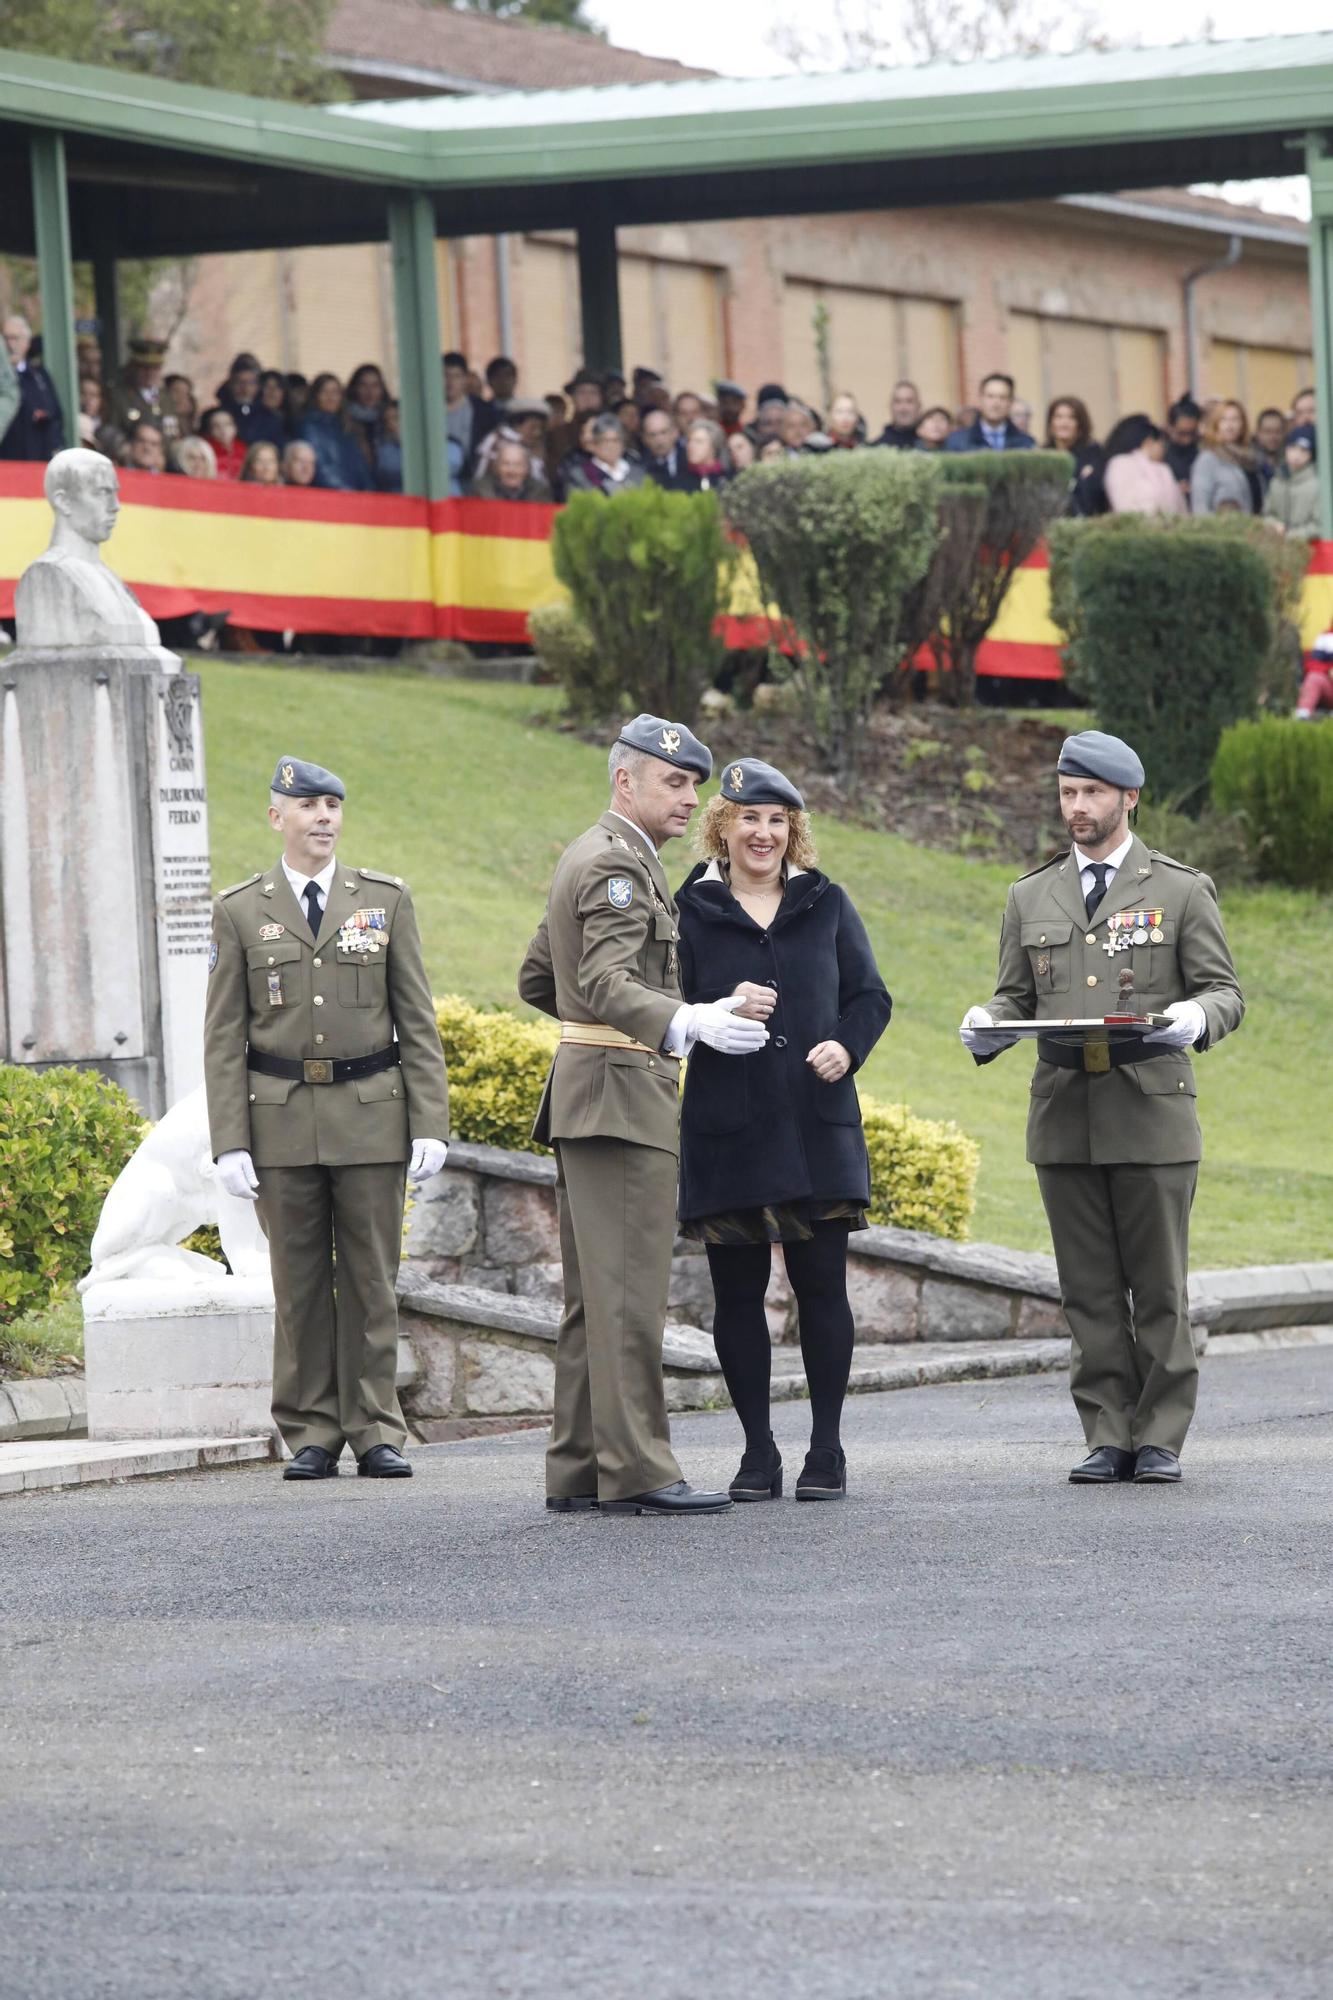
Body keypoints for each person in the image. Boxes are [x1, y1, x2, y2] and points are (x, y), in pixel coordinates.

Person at [959, 730, 1244, 1485]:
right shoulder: (1031, 893)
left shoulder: (1179, 889)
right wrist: (986, 1027)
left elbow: (1224, 991)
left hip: (1149, 1107)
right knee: (1085, 1290)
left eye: (1090, 794)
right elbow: (1015, 998)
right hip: (1063, 1113)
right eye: (1066, 794)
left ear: (1128, 798)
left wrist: (1195, 1019)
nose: (1076, 808)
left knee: (1156, 1287)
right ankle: (1105, 1431)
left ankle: (1159, 1435)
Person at [517, 717, 769, 1515]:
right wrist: (685, 1022)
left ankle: (581, 1467)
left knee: (596, 1298)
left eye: (692, 783)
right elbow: (595, 980)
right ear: (626, 780)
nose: (689, 797)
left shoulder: (596, 856)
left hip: (596, 1091)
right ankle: (637, 1472)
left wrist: (640, 1017)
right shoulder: (617, 868)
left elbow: (538, 976)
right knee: (627, 1298)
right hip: (622, 1097)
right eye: (675, 782)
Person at [203, 757, 450, 1481]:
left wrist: (428, 1120)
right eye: (307, 805)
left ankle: (375, 1428)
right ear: (275, 815)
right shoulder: (241, 908)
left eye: (333, 805)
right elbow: (223, 1035)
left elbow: (417, 1019)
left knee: (373, 1278)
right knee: (300, 1283)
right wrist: (230, 1141)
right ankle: (311, 1429)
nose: (324, 818)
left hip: (371, 1116)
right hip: (279, 1122)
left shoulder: (383, 901)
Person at [675, 758, 891, 1502]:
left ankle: (825, 1449)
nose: (762, 833)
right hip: (728, 1130)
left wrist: (846, 1045)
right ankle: (756, 1451)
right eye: (748, 819)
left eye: (776, 821)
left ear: (792, 831)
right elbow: (668, 1002)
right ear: (722, 826)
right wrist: (716, 1005)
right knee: (735, 1295)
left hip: (815, 1125)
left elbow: (869, 996)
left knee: (820, 1287)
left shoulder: (825, 903)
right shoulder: (690, 909)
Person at [0, 314, 66, 460]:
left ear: (27, 342)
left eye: (15, 338)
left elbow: (56, 415)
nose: (10, 345)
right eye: (6, 338)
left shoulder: (39, 376)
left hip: (36, 458)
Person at [298, 374, 371, 491]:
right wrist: (346, 492)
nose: (330, 397)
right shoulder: (309, 427)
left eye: (335, 392)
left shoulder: (346, 426)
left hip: (355, 498)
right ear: (316, 396)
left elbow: (360, 466)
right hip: (330, 497)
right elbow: (320, 467)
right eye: (325, 392)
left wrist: (369, 492)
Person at [1101, 415, 1185, 516]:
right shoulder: (1120, 464)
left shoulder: (1163, 469)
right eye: (1162, 444)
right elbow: (1123, 507)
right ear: (1149, 442)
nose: (1163, 450)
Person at [1191, 399, 1258, 516]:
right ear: (1216, 424)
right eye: (1224, 420)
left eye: (1235, 419)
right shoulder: (1208, 459)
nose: (1230, 425)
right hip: (1223, 531)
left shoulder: (1250, 458)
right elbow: (1200, 507)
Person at [443, 350, 498, 482]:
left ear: (465, 379)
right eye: (445, 375)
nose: (450, 382)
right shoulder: (428, 412)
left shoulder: (484, 411)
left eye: (456, 376)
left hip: (476, 483)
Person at [1046, 396, 1105, 515]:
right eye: (1058, 417)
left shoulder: (1093, 453)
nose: (1064, 423)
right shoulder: (1043, 455)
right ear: (1051, 422)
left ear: (1080, 424)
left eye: (1071, 418)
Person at [945, 374, 1034, 452]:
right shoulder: (957, 441)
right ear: (980, 399)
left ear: (1010, 402)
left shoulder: (1026, 444)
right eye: (990, 397)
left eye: (1002, 397)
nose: (996, 403)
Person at [104, 335, 169, 439]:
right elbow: (110, 430)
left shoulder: (166, 397)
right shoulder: (119, 397)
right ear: (134, 368)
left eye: (155, 368)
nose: (150, 373)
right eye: (145, 368)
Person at [563, 414, 645, 495]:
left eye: (615, 440)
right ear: (594, 444)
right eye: (605, 440)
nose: (611, 446)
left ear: (623, 444)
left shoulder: (637, 472)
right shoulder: (579, 475)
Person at [219, 352, 286, 451]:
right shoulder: (219, 416)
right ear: (231, 384)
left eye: (250, 383)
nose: (245, 389)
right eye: (239, 382)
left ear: (258, 386)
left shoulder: (271, 418)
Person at [1263, 424, 1319, 540]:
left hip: (1308, 549)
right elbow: (1267, 514)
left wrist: (1289, 536)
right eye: (1292, 447)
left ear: (1311, 454)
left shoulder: (1317, 484)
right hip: (1278, 547)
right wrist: (1274, 525)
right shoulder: (1277, 481)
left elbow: (1318, 525)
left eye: (1304, 450)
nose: (1296, 455)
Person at [470, 436, 545, 502]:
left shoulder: (540, 492)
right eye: (506, 464)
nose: (511, 470)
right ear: (497, 467)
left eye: (517, 465)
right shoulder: (482, 490)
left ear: (527, 469)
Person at [1164, 394, 1202, 505]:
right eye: (1181, 434)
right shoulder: (1162, 454)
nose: (1187, 440)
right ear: (1169, 428)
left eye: (1192, 434)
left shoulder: (1204, 452)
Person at [640, 407, 691, 489]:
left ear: (675, 432)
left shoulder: (690, 459)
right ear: (645, 438)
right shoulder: (641, 467)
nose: (659, 440)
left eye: (663, 432)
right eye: (652, 435)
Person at [681, 417, 731, 490]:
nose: (690, 446)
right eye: (689, 441)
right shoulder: (680, 480)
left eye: (698, 441)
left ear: (713, 446)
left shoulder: (728, 480)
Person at [1294, 627, 1333, 718]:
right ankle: (1303, 714)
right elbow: (1312, 664)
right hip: (1329, 685)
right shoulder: (1325, 638)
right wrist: (1329, 670)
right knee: (1314, 678)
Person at [200, 406, 246, 480]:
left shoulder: (244, 450)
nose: (222, 430)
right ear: (209, 430)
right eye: (216, 426)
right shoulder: (204, 451)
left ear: (235, 427)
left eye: (227, 424)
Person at [875, 379, 922, 449]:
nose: (903, 408)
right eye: (898, 402)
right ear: (890, 406)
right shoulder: (877, 448)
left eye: (909, 401)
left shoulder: (931, 446)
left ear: (918, 406)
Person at [1252, 406, 1288, 489]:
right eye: (1267, 431)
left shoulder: (1291, 463)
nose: (1273, 437)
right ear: (1258, 432)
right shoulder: (1249, 465)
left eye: (1278, 431)